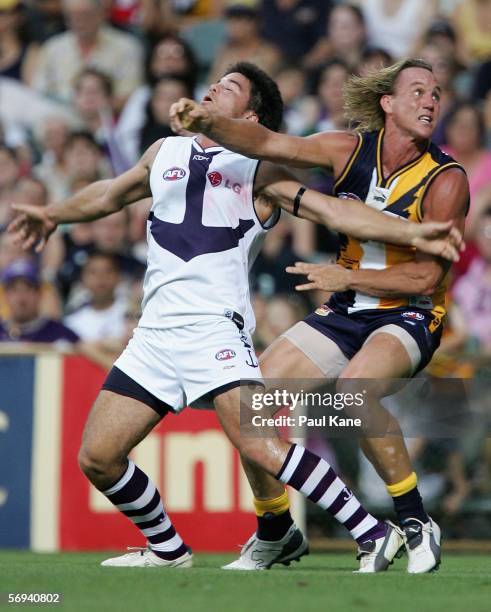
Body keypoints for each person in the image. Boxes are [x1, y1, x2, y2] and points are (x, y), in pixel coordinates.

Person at [10, 62, 462, 573]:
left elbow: (334, 214)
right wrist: (53, 215)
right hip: (154, 334)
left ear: (249, 115)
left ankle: (385, 527)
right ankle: (182, 547)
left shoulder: (261, 171)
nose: (211, 89)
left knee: (301, 419)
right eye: (212, 83)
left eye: (227, 89)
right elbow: (109, 194)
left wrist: (412, 235)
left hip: (227, 326)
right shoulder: (165, 151)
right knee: (97, 455)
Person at [170, 57, 469, 573]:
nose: (430, 101)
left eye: (436, 93)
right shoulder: (347, 149)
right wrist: (205, 122)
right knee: (253, 403)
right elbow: (268, 145)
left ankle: (416, 520)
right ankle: (274, 531)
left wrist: (346, 277)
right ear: (388, 104)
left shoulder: (446, 179)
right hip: (347, 310)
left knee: (355, 394)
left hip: (411, 315)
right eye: (417, 91)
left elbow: (426, 279)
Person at [0, 259, 79, 345]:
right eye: (14, 290)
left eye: (28, 289)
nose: (21, 298)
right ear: (6, 295)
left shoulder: (59, 333)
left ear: (39, 294)